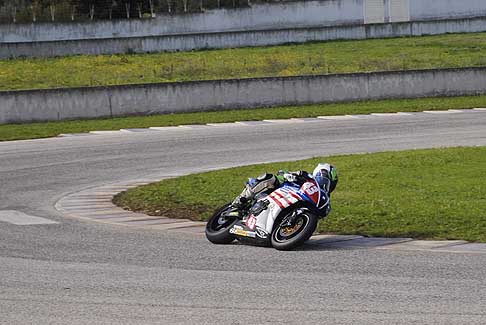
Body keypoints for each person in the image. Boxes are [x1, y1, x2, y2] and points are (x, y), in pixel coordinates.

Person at [232, 163, 338, 210]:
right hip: (282, 191)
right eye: (322, 179)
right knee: (270, 178)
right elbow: (285, 173)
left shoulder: (323, 199)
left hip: (293, 203)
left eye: (327, 183)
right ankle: (242, 198)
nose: (323, 184)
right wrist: (289, 175)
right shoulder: (307, 176)